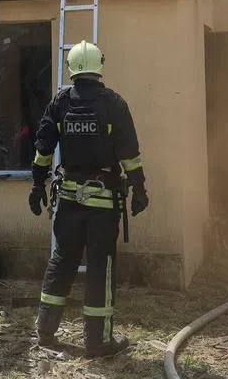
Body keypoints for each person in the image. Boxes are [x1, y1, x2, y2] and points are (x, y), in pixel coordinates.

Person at [28, 40, 148, 358]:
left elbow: (42, 151)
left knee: (62, 261)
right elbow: (130, 155)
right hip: (103, 206)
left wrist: (37, 187)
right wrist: (140, 189)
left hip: (67, 203)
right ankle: (98, 341)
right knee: (100, 269)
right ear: (99, 66)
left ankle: (45, 331)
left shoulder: (60, 103)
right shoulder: (114, 104)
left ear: (71, 68)